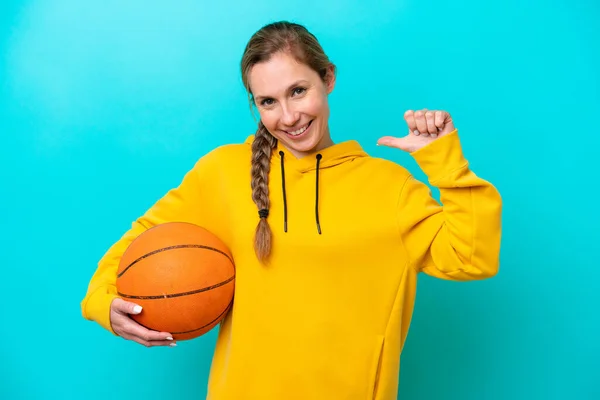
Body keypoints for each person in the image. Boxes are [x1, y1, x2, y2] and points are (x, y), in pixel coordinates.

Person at [81, 21, 502, 400]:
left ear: (328, 78)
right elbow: (141, 241)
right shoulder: (225, 173)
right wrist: (106, 304)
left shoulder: (389, 188)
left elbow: (471, 257)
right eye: (268, 101)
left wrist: (445, 163)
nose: (288, 116)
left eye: (298, 91)